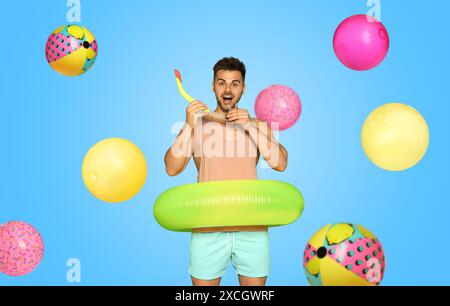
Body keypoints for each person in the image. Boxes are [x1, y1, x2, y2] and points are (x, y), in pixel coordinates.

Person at [164, 57, 288, 286]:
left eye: (235, 83)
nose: (228, 89)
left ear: (243, 88)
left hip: (252, 227)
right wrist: (188, 125)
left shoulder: (258, 125)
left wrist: (250, 124)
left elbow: (280, 163)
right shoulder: (196, 124)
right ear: (213, 86)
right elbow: (171, 168)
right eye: (221, 83)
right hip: (208, 228)